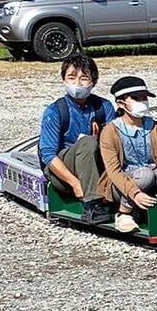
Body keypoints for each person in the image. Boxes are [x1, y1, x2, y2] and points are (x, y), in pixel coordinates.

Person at [98, 76, 157, 233]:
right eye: (136, 98)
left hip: (150, 180)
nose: (142, 102)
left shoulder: (156, 128)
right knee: (144, 174)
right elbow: (113, 171)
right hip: (122, 187)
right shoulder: (110, 131)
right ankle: (124, 213)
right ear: (120, 103)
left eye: (144, 98)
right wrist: (134, 193)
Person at [38, 54, 117, 225]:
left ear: (93, 82)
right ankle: (92, 205)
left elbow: (116, 143)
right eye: (71, 78)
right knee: (88, 142)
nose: (77, 84)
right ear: (63, 80)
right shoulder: (55, 111)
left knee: (99, 142)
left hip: (95, 165)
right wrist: (75, 184)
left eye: (84, 78)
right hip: (63, 171)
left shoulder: (105, 107)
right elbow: (48, 154)